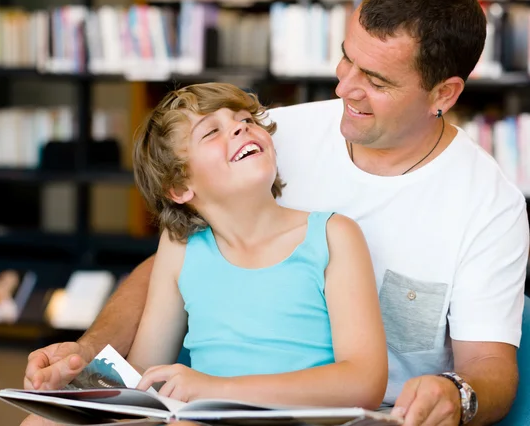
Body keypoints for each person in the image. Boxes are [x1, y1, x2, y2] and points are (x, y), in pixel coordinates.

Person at [24, 0, 530, 425]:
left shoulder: (487, 205)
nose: (343, 87)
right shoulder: (270, 138)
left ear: (444, 94)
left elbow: (489, 371)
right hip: (204, 403)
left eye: (375, 81)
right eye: (347, 58)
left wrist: (456, 395)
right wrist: (86, 357)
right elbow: (170, 269)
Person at [127, 82, 387, 407]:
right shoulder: (180, 247)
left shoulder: (334, 236)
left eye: (246, 120)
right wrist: (73, 375)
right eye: (211, 132)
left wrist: (214, 389)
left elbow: (365, 384)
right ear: (179, 187)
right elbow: (142, 377)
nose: (240, 128)